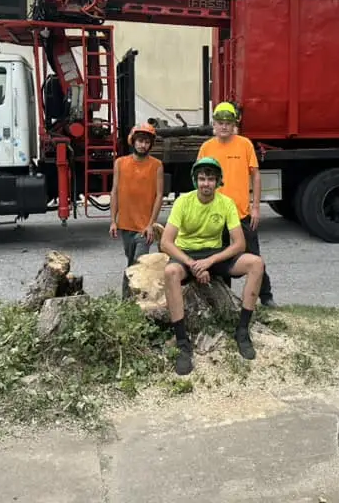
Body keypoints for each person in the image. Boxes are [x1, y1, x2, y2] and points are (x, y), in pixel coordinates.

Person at [160, 157, 266, 376]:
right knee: (170, 272)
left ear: (218, 182)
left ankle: (242, 331)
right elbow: (166, 243)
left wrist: (210, 262)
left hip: (214, 254)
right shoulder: (183, 202)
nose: (206, 183)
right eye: (201, 179)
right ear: (195, 181)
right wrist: (192, 264)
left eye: (210, 179)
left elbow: (239, 244)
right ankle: (182, 342)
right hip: (188, 255)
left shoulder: (226, 203)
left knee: (256, 264)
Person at [197, 101, 275, 306]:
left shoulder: (245, 144)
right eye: (220, 122)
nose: (224, 126)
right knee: (221, 259)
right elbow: (200, 180)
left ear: (234, 124)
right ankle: (227, 300)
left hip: (242, 213)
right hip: (215, 215)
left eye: (228, 123)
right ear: (214, 124)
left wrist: (255, 207)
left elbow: (255, 176)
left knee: (254, 256)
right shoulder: (206, 147)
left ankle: (266, 296)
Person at [109, 123, 164, 298]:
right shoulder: (120, 163)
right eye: (140, 141)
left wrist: (151, 224)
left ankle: (131, 299)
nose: (143, 145)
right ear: (133, 141)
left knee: (139, 264)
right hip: (125, 224)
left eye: (146, 142)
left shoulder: (156, 165)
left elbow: (159, 195)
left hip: (144, 227)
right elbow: (115, 192)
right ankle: (128, 300)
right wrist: (113, 221)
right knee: (131, 261)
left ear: (151, 145)